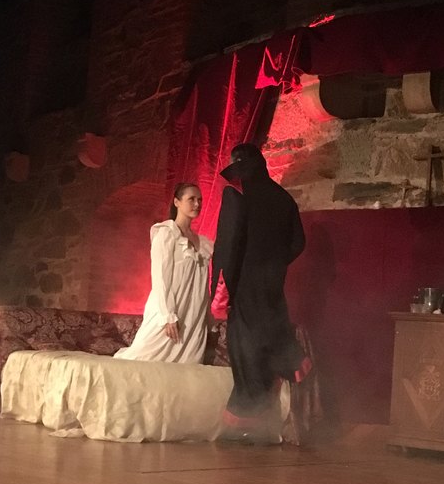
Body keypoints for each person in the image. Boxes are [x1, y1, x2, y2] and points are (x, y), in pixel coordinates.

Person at [211, 143, 305, 441]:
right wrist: (275, 264)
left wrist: (220, 291)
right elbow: (298, 243)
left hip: (245, 289)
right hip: (272, 288)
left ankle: (244, 429)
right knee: (267, 348)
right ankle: (264, 427)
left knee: (246, 355)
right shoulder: (284, 199)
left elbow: (228, 245)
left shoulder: (238, 196)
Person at [114, 183, 213, 364]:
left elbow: (202, 284)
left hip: (192, 313)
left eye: (200, 200)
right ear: (177, 202)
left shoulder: (203, 243)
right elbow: (160, 276)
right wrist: (168, 315)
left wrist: (206, 316)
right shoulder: (167, 233)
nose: (197, 204)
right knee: (144, 357)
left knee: (187, 364)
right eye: (191, 199)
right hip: (169, 308)